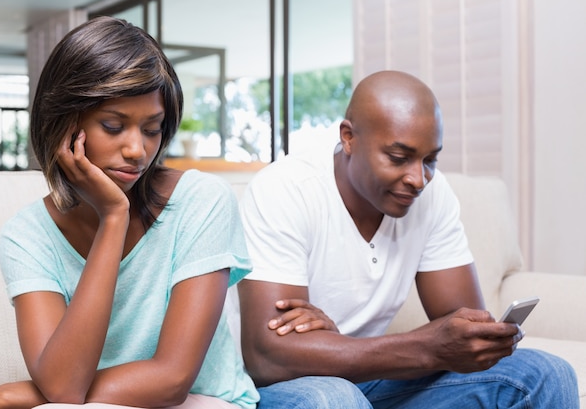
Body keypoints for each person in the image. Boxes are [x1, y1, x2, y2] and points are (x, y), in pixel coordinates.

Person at [235, 70, 579, 408]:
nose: (419, 178)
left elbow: (464, 325)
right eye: (399, 158)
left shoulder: (433, 193)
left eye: (430, 160)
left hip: (372, 378)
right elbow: (268, 357)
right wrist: (426, 347)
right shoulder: (285, 190)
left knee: (545, 373)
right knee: (334, 399)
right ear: (348, 137)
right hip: (284, 389)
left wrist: (331, 344)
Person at [0, 16, 258, 409]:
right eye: (113, 125)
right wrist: (113, 219)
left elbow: (172, 379)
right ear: (65, 125)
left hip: (201, 402)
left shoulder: (202, 201)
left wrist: (23, 393)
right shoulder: (27, 234)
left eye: (152, 129)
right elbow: (64, 387)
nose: (137, 150)